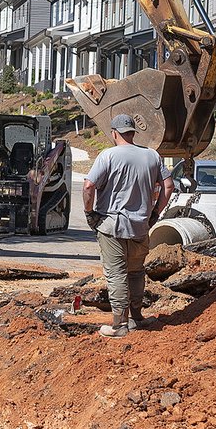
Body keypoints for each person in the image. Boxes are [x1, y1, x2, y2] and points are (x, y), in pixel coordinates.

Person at [83, 112, 172, 337]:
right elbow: (168, 186)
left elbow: (88, 186)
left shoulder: (108, 156)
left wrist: (89, 212)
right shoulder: (152, 156)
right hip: (140, 227)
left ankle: (119, 326)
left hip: (112, 226)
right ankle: (137, 318)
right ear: (133, 132)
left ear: (114, 133)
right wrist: (155, 213)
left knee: (116, 274)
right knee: (135, 273)